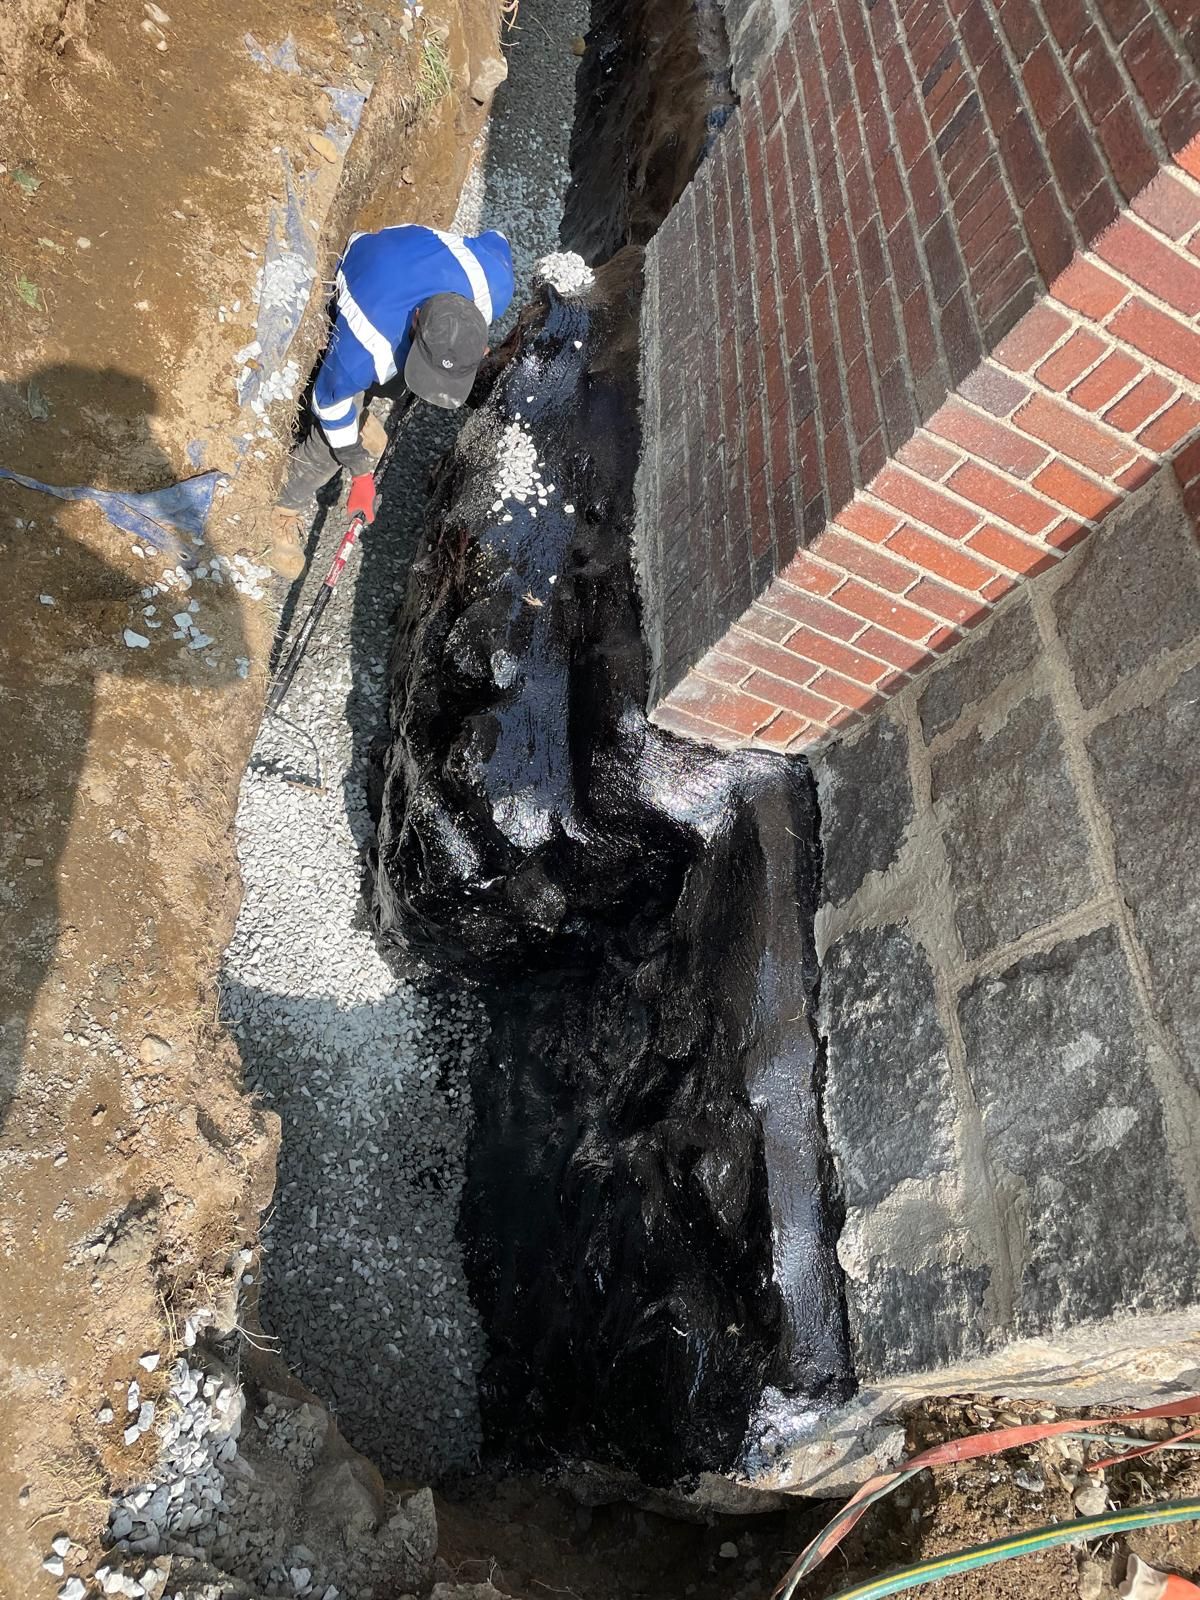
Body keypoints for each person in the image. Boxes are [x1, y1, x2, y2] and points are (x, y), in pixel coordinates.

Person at [268, 223, 515, 578]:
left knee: (402, 379)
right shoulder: (369, 345)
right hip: (363, 269)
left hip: (401, 259)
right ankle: (281, 509)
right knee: (330, 445)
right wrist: (359, 471)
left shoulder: (496, 284)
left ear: (484, 347)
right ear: (415, 323)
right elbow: (327, 402)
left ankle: (363, 410)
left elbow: (498, 237)